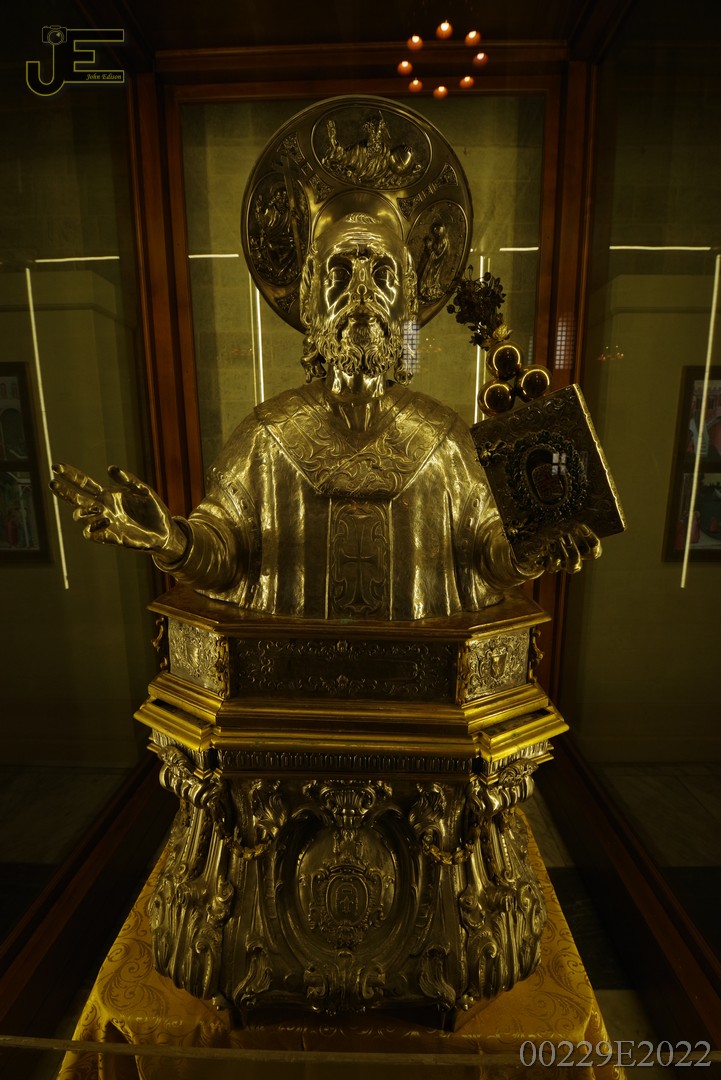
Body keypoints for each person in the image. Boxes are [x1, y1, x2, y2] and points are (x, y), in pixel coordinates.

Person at [51, 202, 599, 620]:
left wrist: (534, 548)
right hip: (288, 686)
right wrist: (171, 541)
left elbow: (488, 559)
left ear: (407, 298)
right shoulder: (266, 438)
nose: (361, 292)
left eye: (381, 274)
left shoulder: (446, 439)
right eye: (340, 272)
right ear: (312, 294)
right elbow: (222, 558)